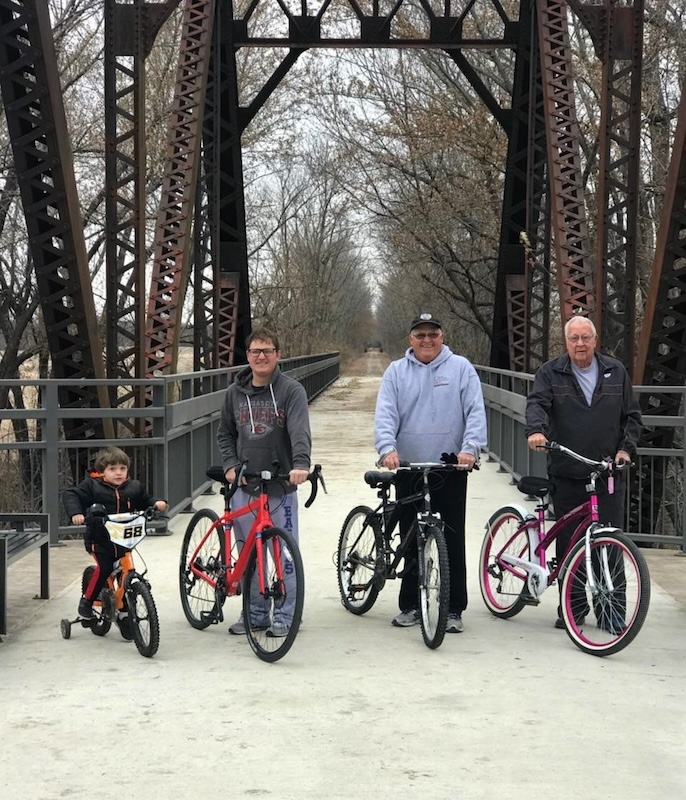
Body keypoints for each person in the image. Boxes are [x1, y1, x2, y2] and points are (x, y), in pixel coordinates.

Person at [525, 315, 642, 629]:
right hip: (567, 470)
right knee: (569, 543)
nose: (580, 344)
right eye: (574, 338)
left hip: (606, 472)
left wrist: (625, 450)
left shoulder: (615, 371)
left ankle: (611, 612)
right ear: (566, 342)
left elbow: (632, 416)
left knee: (609, 543)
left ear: (595, 340)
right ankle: (572, 611)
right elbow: (537, 403)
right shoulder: (550, 372)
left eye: (585, 338)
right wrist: (535, 431)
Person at [374, 313, 488, 633]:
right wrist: (387, 448)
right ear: (410, 339)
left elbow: (475, 411)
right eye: (420, 335)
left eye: (433, 334)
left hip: (449, 465)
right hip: (409, 465)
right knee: (410, 536)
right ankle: (411, 604)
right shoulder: (396, 371)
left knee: (452, 537)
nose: (427, 340)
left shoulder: (461, 368)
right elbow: (385, 413)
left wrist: (471, 448)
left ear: (442, 336)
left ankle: (453, 609)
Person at [217, 326, 312, 638]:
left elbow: (299, 430)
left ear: (277, 355)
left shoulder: (291, 390)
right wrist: (231, 466)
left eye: (267, 351)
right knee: (250, 556)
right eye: (255, 351)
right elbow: (225, 434)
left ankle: (286, 615)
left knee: (285, 556)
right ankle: (256, 614)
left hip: (280, 487)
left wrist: (300, 464)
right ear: (247, 356)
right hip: (245, 486)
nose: (261, 356)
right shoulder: (234, 394)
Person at [63, 446, 168, 635]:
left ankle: (124, 611)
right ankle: (87, 601)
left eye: (122, 468)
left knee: (125, 574)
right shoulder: (92, 486)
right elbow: (72, 495)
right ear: (102, 471)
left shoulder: (133, 487)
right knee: (104, 568)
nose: (118, 473)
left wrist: (156, 503)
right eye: (112, 469)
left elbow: (145, 499)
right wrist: (76, 513)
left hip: (124, 539)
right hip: (100, 540)